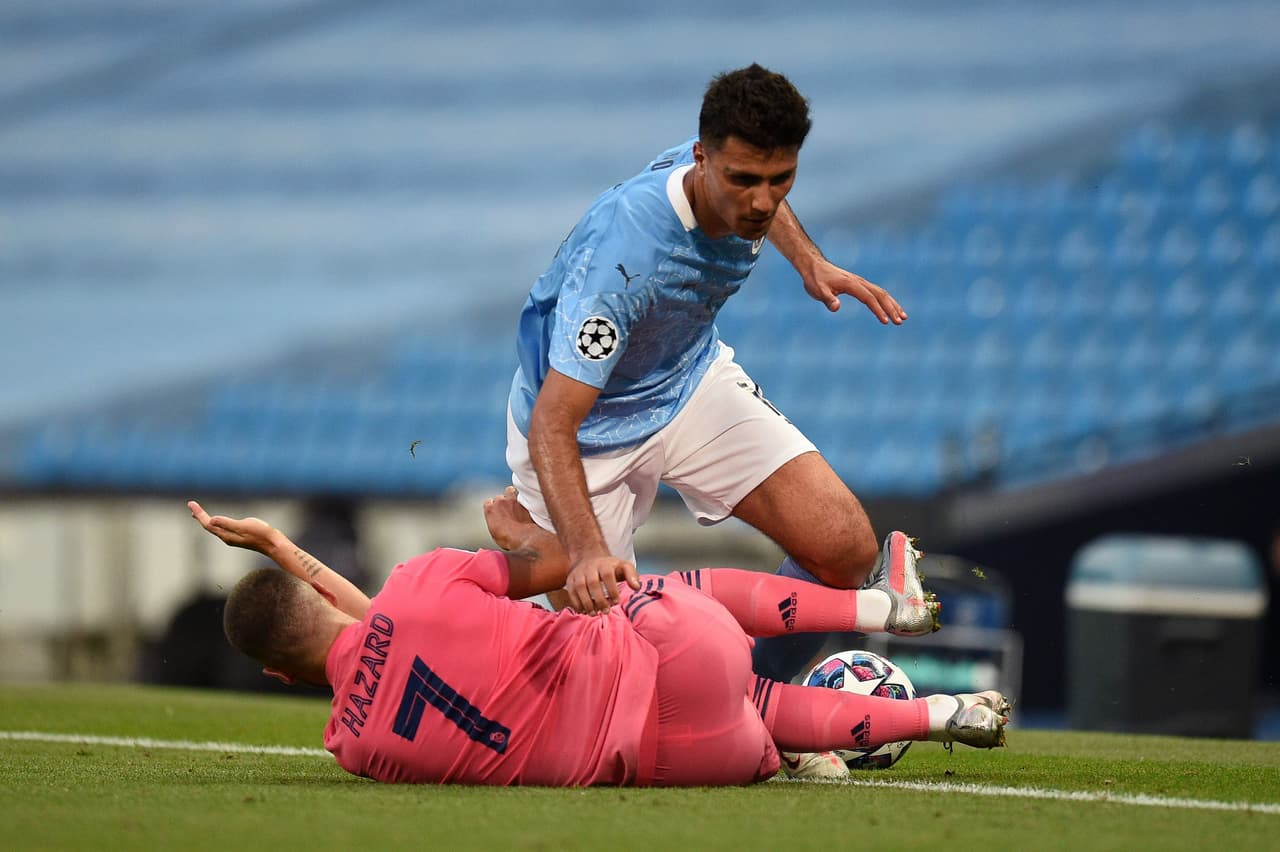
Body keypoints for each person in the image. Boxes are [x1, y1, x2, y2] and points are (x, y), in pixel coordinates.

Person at [504, 63, 917, 720]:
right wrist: (584, 554)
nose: (761, 200)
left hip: (688, 383)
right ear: (702, 160)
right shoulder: (626, 260)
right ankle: (530, 540)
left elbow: (766, 204)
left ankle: (754, 708)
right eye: (744, 181)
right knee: (613, 698)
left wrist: (810, 261)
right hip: (587, 434)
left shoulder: (722, 174)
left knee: (843, 549)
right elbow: (553, 422)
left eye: (780, 178)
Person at [188, 494, 1008, 787]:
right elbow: (558, 562)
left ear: (279, 677)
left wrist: (278, 552)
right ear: (319, 593)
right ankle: (878, 606)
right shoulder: (419, 584)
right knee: (645, 591)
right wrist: (520, 533)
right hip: (674, 655)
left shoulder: (354, 747)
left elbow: (368, 643)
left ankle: (943, 715)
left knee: (759, 705)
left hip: (681, 764)